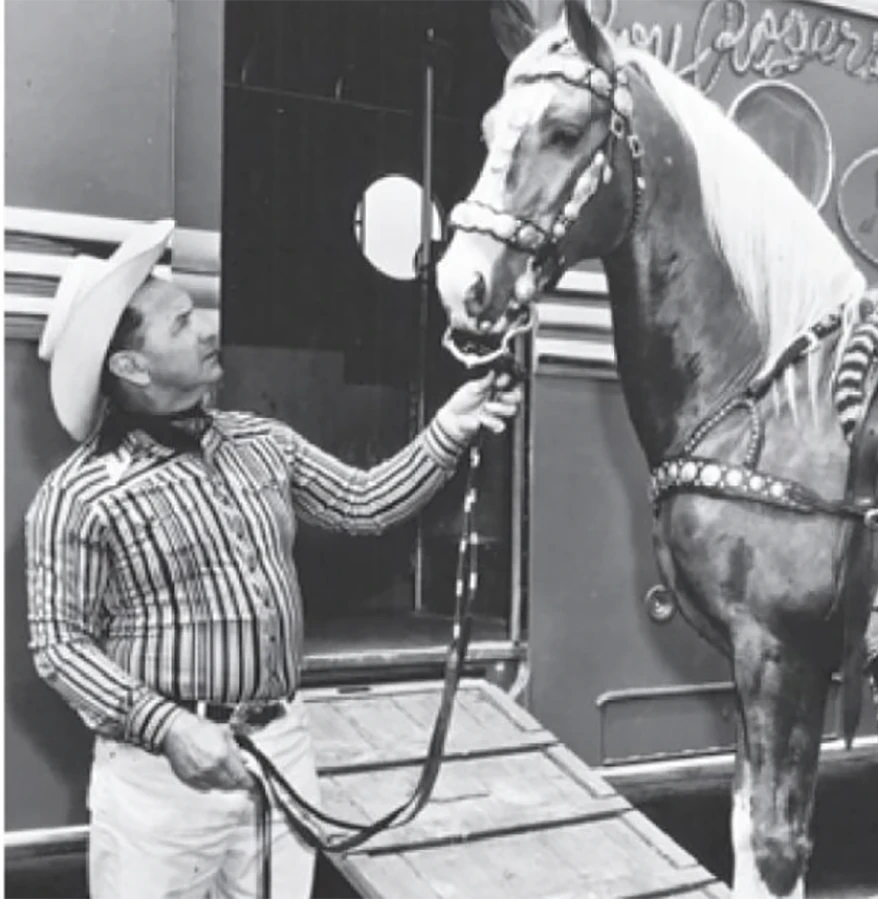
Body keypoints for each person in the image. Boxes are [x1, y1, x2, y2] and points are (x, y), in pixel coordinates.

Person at [24, 219, 525, 899]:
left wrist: (449, 428)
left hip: (278, 752)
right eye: (179, 324)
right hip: (159, 781)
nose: (207, 330)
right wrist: (167, 724)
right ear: (132, 367)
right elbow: (58, 644)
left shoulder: (262, 442)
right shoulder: (77, 494)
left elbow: (363, 501)